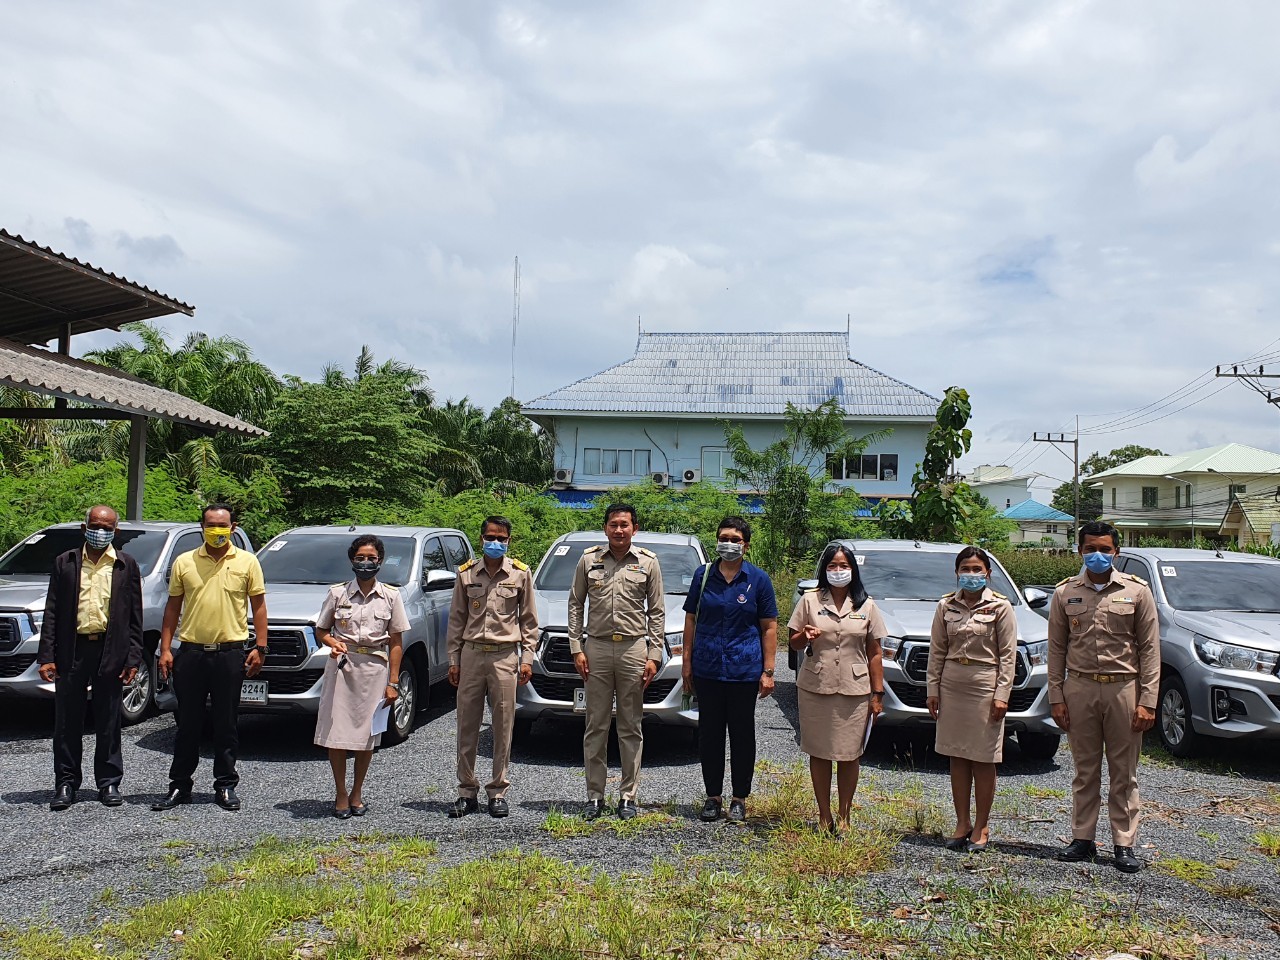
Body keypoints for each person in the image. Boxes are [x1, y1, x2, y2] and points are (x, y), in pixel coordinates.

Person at [1048, 520, 1160, 874]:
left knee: (1124, 772)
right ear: (1080, 551)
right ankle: (1082, 838)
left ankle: (1123, 844)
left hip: (1124, 687)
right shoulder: (1065, 593)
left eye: (1105, 549)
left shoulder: (1137, 591)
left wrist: (1148, 701)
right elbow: (1056, 649)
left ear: (1117, 552)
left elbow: (1150, 650)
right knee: (1084, 769)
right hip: (1079, 687)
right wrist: (1056, 696)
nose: (1097, 555)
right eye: (1090, 549)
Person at [153, 504, 268, 812]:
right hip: (190, 653)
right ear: (201, 526)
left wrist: (261, 646)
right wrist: (166, 649)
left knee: (226, 723)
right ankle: (180, 786)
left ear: (233, 527)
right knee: (187, 723)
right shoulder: (184, 562)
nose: (217, 530)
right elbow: (172, 608)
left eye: (222, 525)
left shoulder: (247, 562)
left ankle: (226, 785)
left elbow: (258, 606)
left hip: (230, 654)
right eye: (211, 524)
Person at [37, 505, 144, 810]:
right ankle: (66, 783)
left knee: (109, 719)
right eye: (96, 525)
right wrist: (47, 656)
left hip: (110, 651)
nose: (101, 531)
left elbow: (134, 616)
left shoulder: (126, 565)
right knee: (67, 721)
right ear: (84, 529)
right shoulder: (66, 562)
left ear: (116, 532)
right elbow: (52, 611)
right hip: (72, 650)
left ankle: (109, 783)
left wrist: (133, 658)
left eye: (107, 527)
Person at [568, 503, 665, 821]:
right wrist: (576, 648)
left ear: (634, 528)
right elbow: (575, 604)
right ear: (605, 528)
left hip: (633, 650)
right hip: (595, 649)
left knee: (630, 725)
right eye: (613, 524)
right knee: (595, 725)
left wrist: (653, 654)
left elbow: (657, 612)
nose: (619, 530)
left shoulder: (648, 563)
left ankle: (628, 797)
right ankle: (594, 797)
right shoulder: (588, 560)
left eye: (624, 524)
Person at [681, 516, 778, 823]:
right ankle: (712, 796)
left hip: (743, 671)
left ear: (745, 545)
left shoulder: (758, 580)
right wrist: (686, 663)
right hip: (707, 669)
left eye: (735, 539)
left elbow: (769, 626)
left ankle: (739, 797)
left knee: (741, 733)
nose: (729, 543)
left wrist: (769, 671)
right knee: (709, 734)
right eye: (724, 537)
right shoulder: (703, 575)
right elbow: (691, 620)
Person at [787, 542, 886, 833]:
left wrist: (877, 693)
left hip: (854, 690)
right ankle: (824, 815)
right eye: (832, 566)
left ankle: (844, 817)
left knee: (849, 754)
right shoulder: (810, 600)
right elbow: (792, 641)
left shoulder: (866, 604)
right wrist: (804, 637)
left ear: (853, 570)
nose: (838, 571)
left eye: (844, 566)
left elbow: (875, 651)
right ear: (824, 570)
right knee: (819, 751)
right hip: (816, 685)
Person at [446, 516, 538, 819]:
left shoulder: (521, 574)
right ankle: (466, 791)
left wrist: (527, 659)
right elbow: (457, 621)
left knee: (503, 725)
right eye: (489, 537)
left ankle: (498, 791)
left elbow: (529, 622)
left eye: (501, 538)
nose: (494, 542)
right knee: (467, 725)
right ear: (481, 538)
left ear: (509, 540)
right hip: (472, 654)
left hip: (504, 657)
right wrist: (454, 660)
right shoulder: (466, 575)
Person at [926, 546, 1017, 853]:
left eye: (978, 569)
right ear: (957, 572)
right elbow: (937, 651)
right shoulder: (945, 606)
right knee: (957, 755)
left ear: (988, 574)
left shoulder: (1001, 607)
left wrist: (1002, 695)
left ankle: (981, 824)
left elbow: (1008, 656)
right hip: (952, 684)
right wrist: (933, 690)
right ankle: (962, 821)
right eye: (966, 568)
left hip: (985, 686)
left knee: (983, 757)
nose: (972, 574)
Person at [314, 534, 409, 819]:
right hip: (343, 667)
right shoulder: (337, 594)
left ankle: (357, 792)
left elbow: (395, 642)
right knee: (337, 734)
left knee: (367, 735)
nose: (365, 563)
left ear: (380, 561)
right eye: (360, 558)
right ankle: (340, 792)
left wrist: (394, 682)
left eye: (371, 558)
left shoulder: (391, 596)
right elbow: (321, 631)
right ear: (351, 560)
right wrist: (332, 643)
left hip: (374, 669)